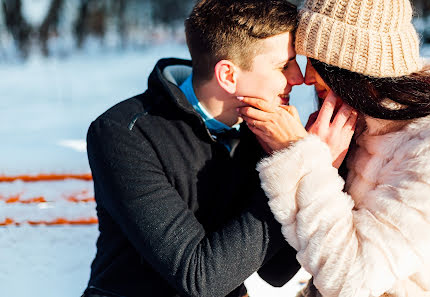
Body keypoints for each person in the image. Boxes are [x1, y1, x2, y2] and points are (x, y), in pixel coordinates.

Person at [83, 0, 305, 296]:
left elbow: (278, 271)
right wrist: (291, 169)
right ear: (228, 75)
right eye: (284, 65)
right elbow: (200, 279)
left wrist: (311, 164)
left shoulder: (265, 130)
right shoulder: (124, 133)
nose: (298, 78)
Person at [238, 0, 430, 296]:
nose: (306, 78)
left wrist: (302, 157)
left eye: (315, 61)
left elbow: (352, 279)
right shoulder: (360, 124)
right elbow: (286, 267)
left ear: (352, 66)